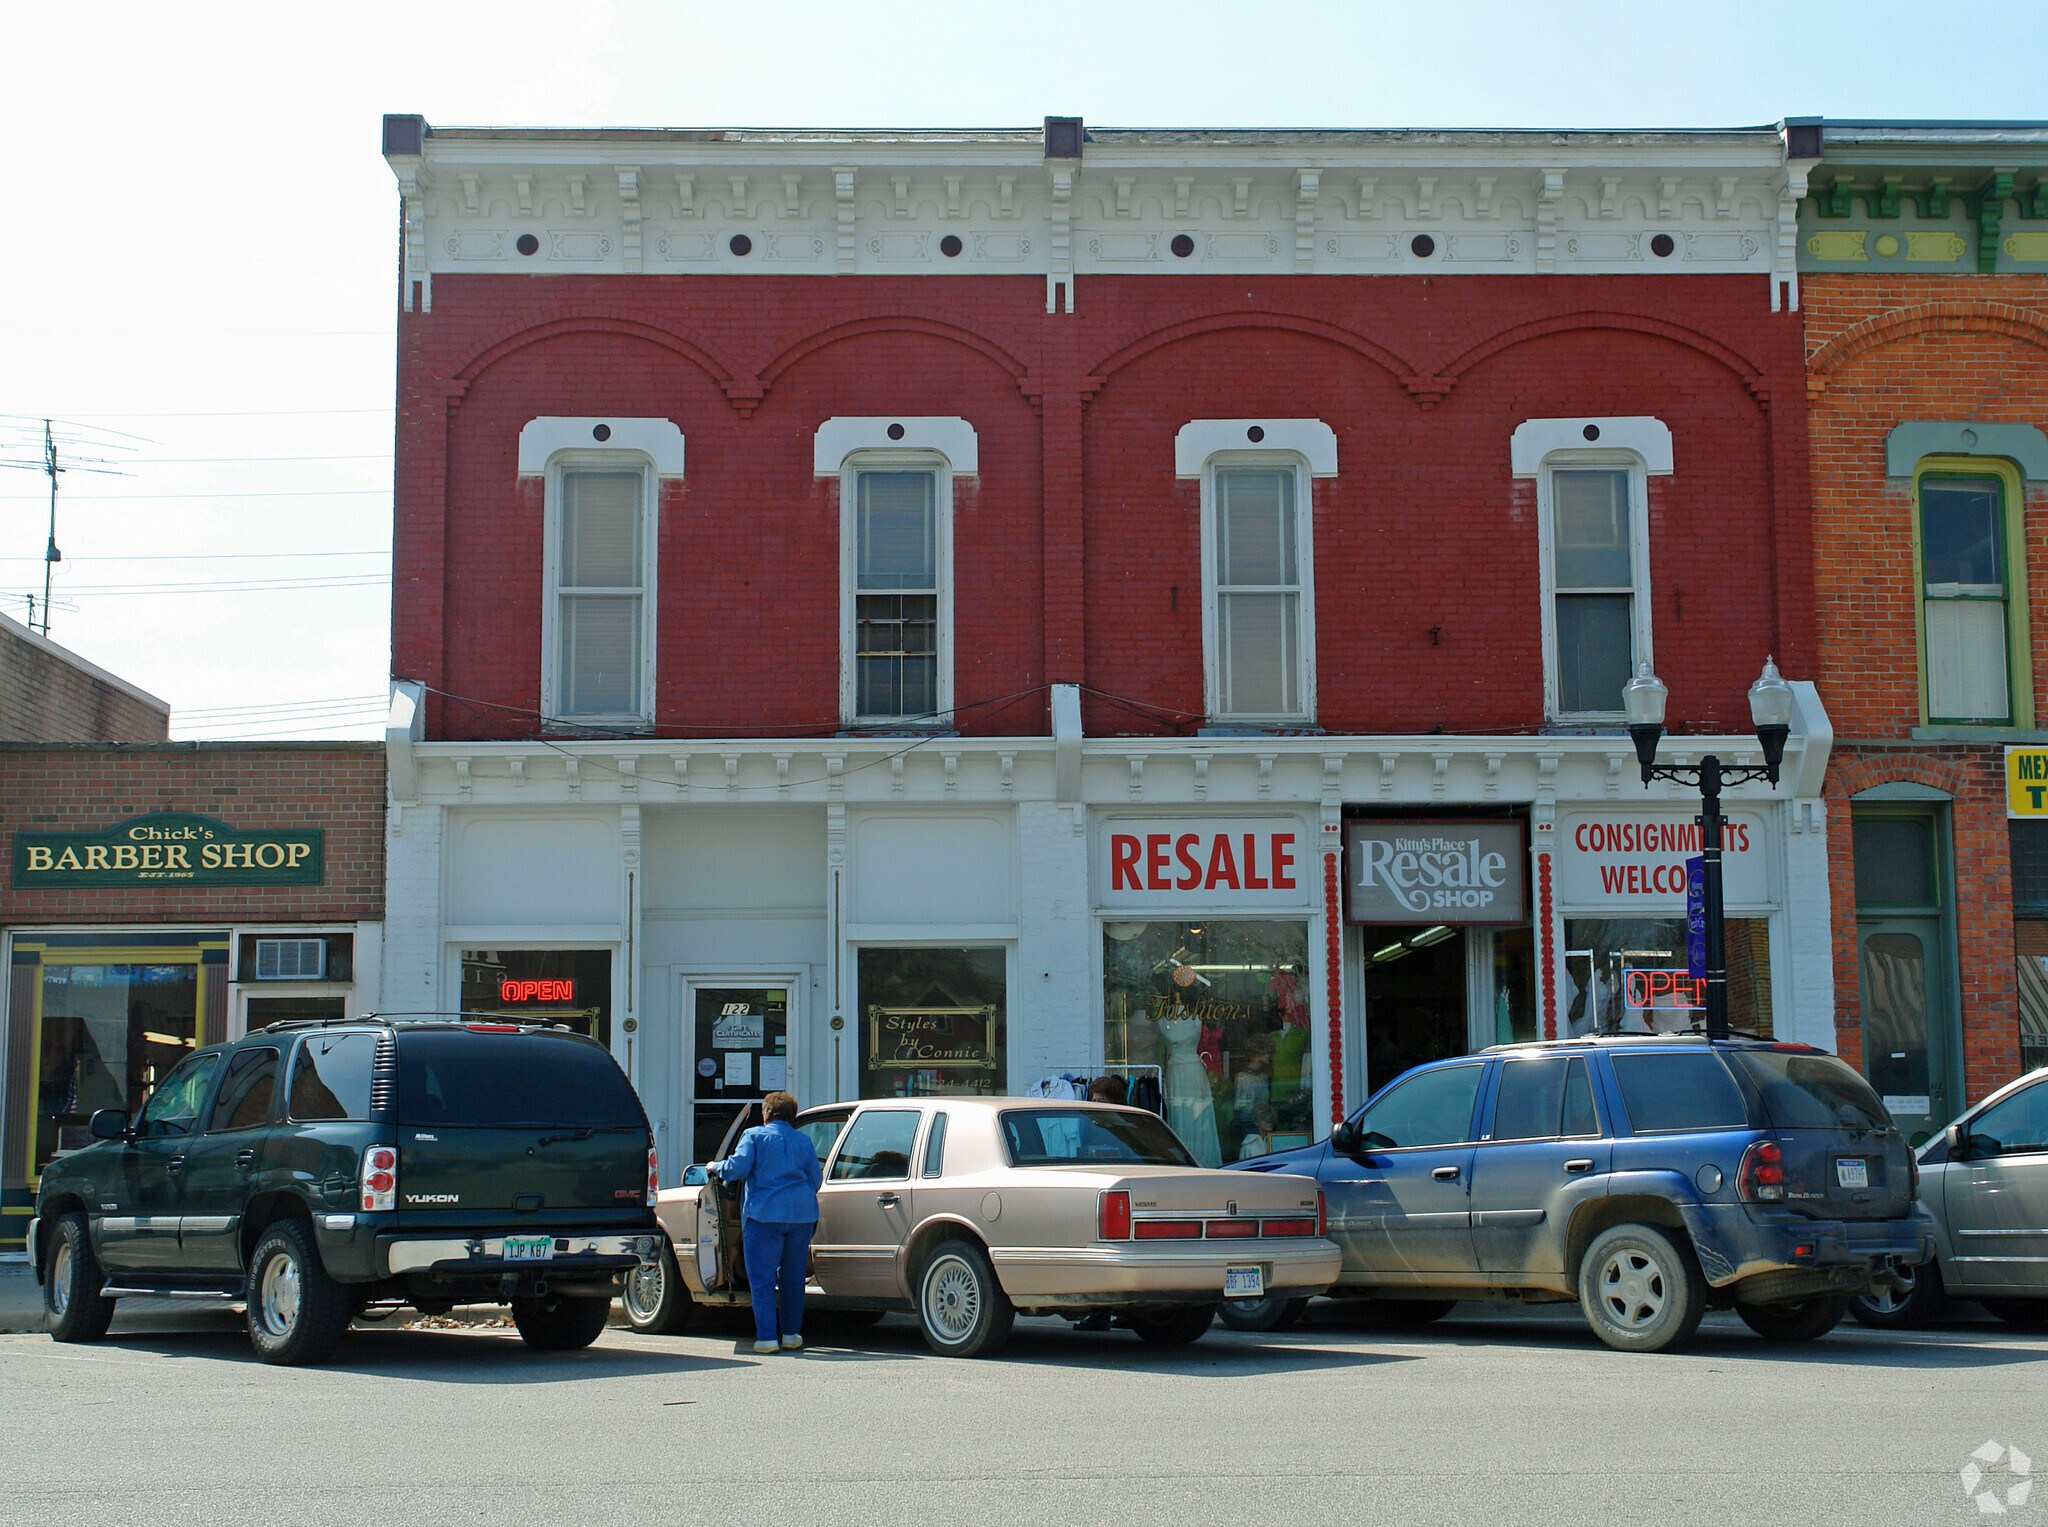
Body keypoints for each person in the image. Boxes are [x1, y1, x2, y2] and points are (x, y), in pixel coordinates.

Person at [707, 1091, 823, 1356]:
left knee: (762, 1278)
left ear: (766, 1114)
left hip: (764, 1215)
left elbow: (737, 1168)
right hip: (801, 1216)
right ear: (792, 1116)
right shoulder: (804, 1142)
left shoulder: (754, 1136)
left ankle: (767, 1338)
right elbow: (815, 1180)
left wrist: (715, 1166)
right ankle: (792, 1334)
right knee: (793, 1277)